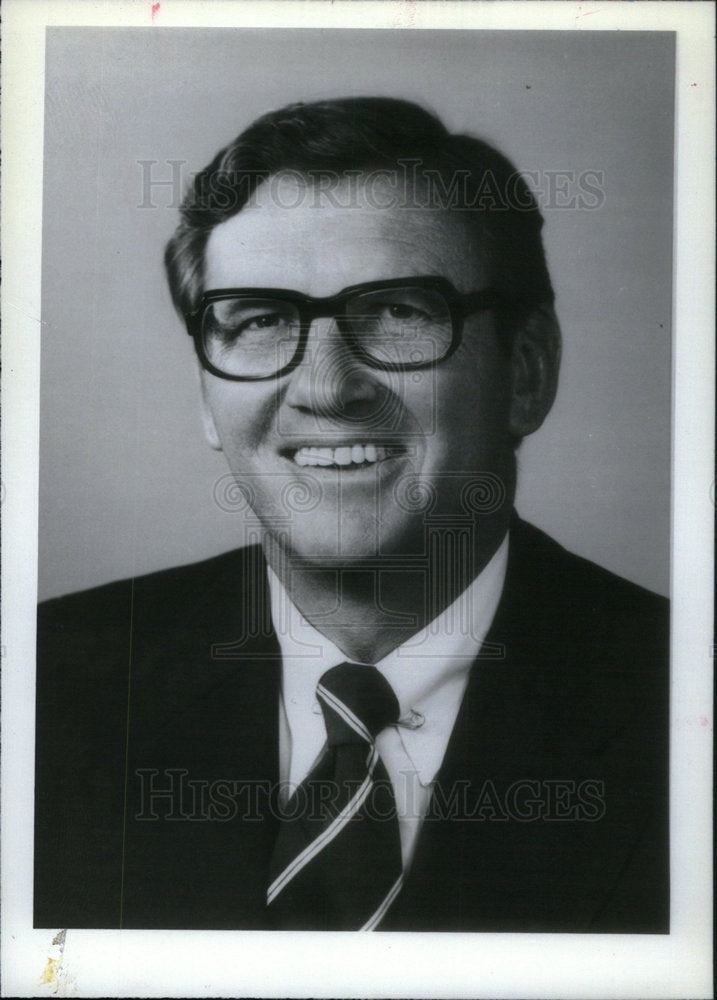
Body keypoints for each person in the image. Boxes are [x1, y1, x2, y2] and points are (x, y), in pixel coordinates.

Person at [34, 97, 669, 932]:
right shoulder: (47, 684)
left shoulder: (679, 697)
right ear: (204, 394)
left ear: (526, 371)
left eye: (399, 312)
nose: (327, 389)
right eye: (261, 321)